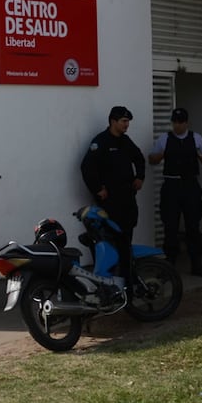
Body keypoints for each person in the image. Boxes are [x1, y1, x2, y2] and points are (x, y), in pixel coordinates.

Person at [80, 106, 145, 278]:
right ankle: (108, 280)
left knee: (126, 240)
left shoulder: (125, 141)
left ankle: (126, 279)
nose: (127, 125)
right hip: (109, 202)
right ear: (113, 121)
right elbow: (87, 167)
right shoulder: (100, 142)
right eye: (124, 121)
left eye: (128, 122)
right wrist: (97, 189)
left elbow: (139, 158)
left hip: (127, 199)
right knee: (108, 242)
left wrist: (140, 177)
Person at [148, 107, 202, 277]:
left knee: (193, 225)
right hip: (171, 184)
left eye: (180, 122)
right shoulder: (164, 139)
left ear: (186, 123)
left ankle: (196, 263)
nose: (177, 126)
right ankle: (169, 264)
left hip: (190, 185)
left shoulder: (196, 138)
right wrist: (159, 156)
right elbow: (152, 159)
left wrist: (201, 156)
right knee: (170, 226)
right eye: (175, 122)